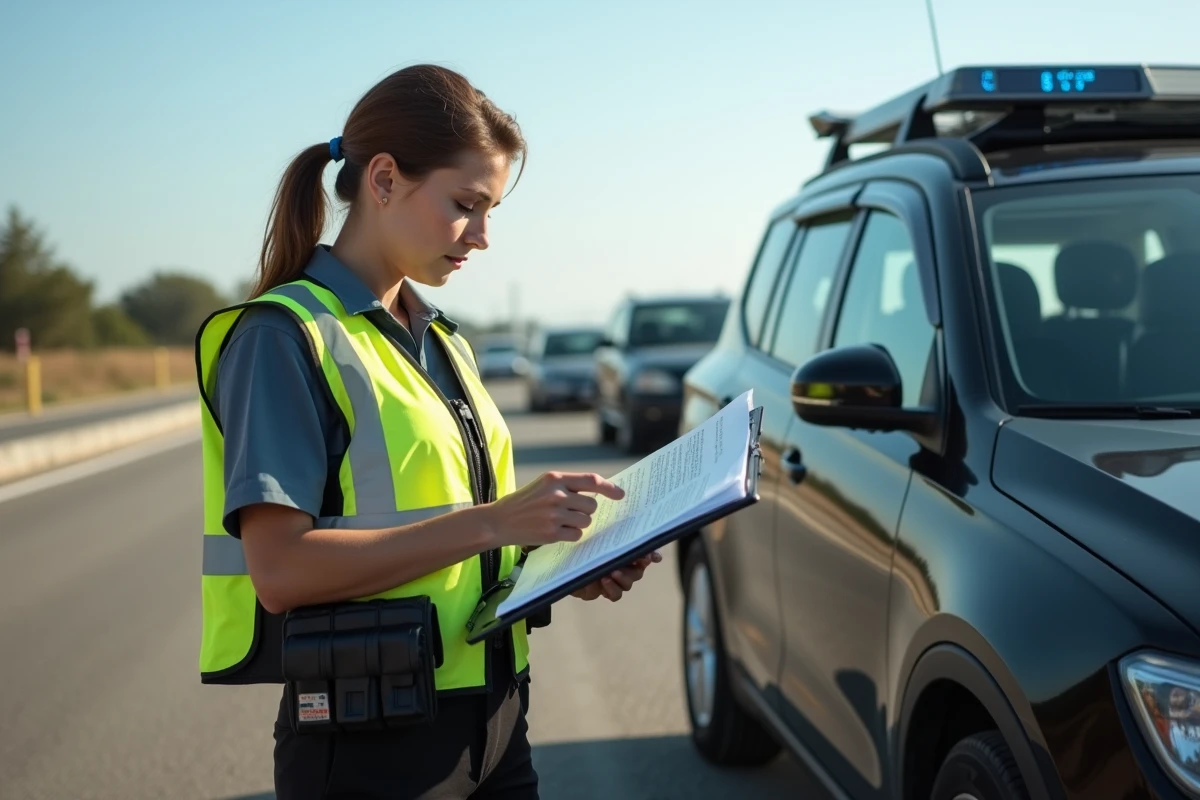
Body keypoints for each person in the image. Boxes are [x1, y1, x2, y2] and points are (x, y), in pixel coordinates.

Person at [195, 63, 661, 799]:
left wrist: (566, 558)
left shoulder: (444, 341)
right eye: (465, 205)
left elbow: (461, 539)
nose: (482, 236)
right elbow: (280, 571)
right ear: (384, 180)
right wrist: (493, 522)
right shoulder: (281, 337)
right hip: (372, 742)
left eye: (491, 211)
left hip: (496, 720)